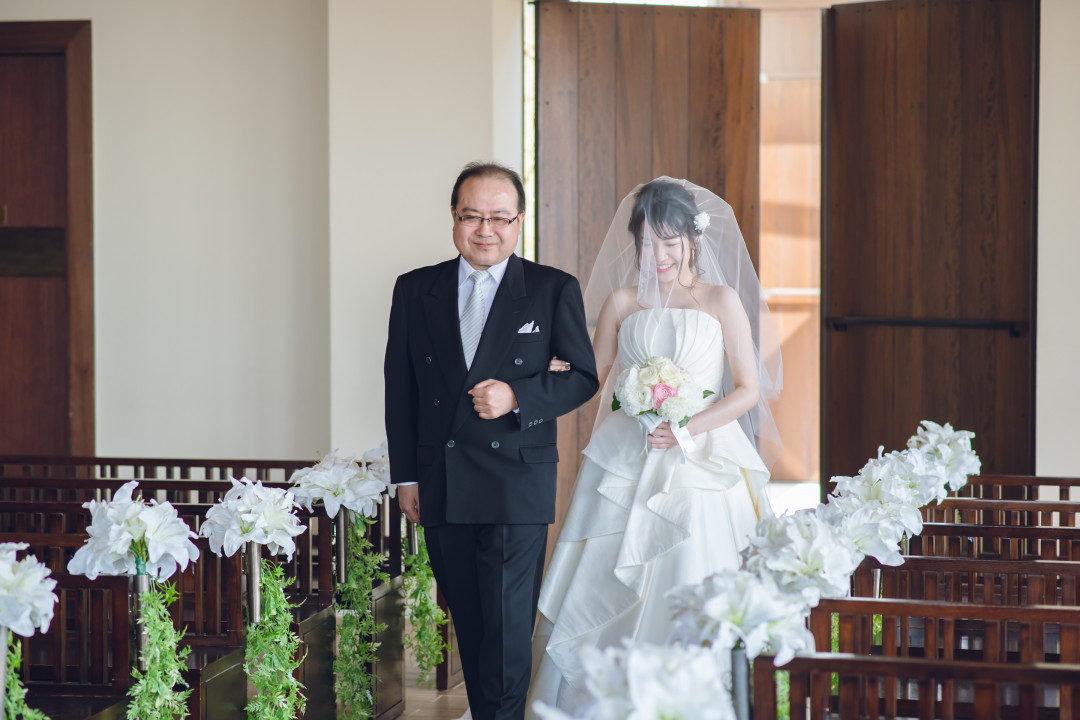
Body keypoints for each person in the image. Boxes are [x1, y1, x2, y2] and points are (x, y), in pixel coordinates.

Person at [526, 178, 783, 716]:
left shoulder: (720, 300)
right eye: (648, 243)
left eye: (670, 242)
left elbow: (748, 390)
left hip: (701, 456)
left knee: (690, 565)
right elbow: (590, 376)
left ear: (692, 239)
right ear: (635, 242)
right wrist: (540, 374)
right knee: (603, 575)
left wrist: (688, 428)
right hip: (626, 455)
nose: (659, 255)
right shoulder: (623, 302)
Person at [384, 162, 599, 720]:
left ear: (519, 222)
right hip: (440, 482)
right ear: (454, 219)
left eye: (500, 217)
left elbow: (581, 375)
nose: (486, 229)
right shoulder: (415, 289)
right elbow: (400, 387)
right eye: (472, 216)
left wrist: (519, 396)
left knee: (505, 632)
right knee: (472, 625)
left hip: (514, 481)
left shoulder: (552, 288)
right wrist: (405, 475)